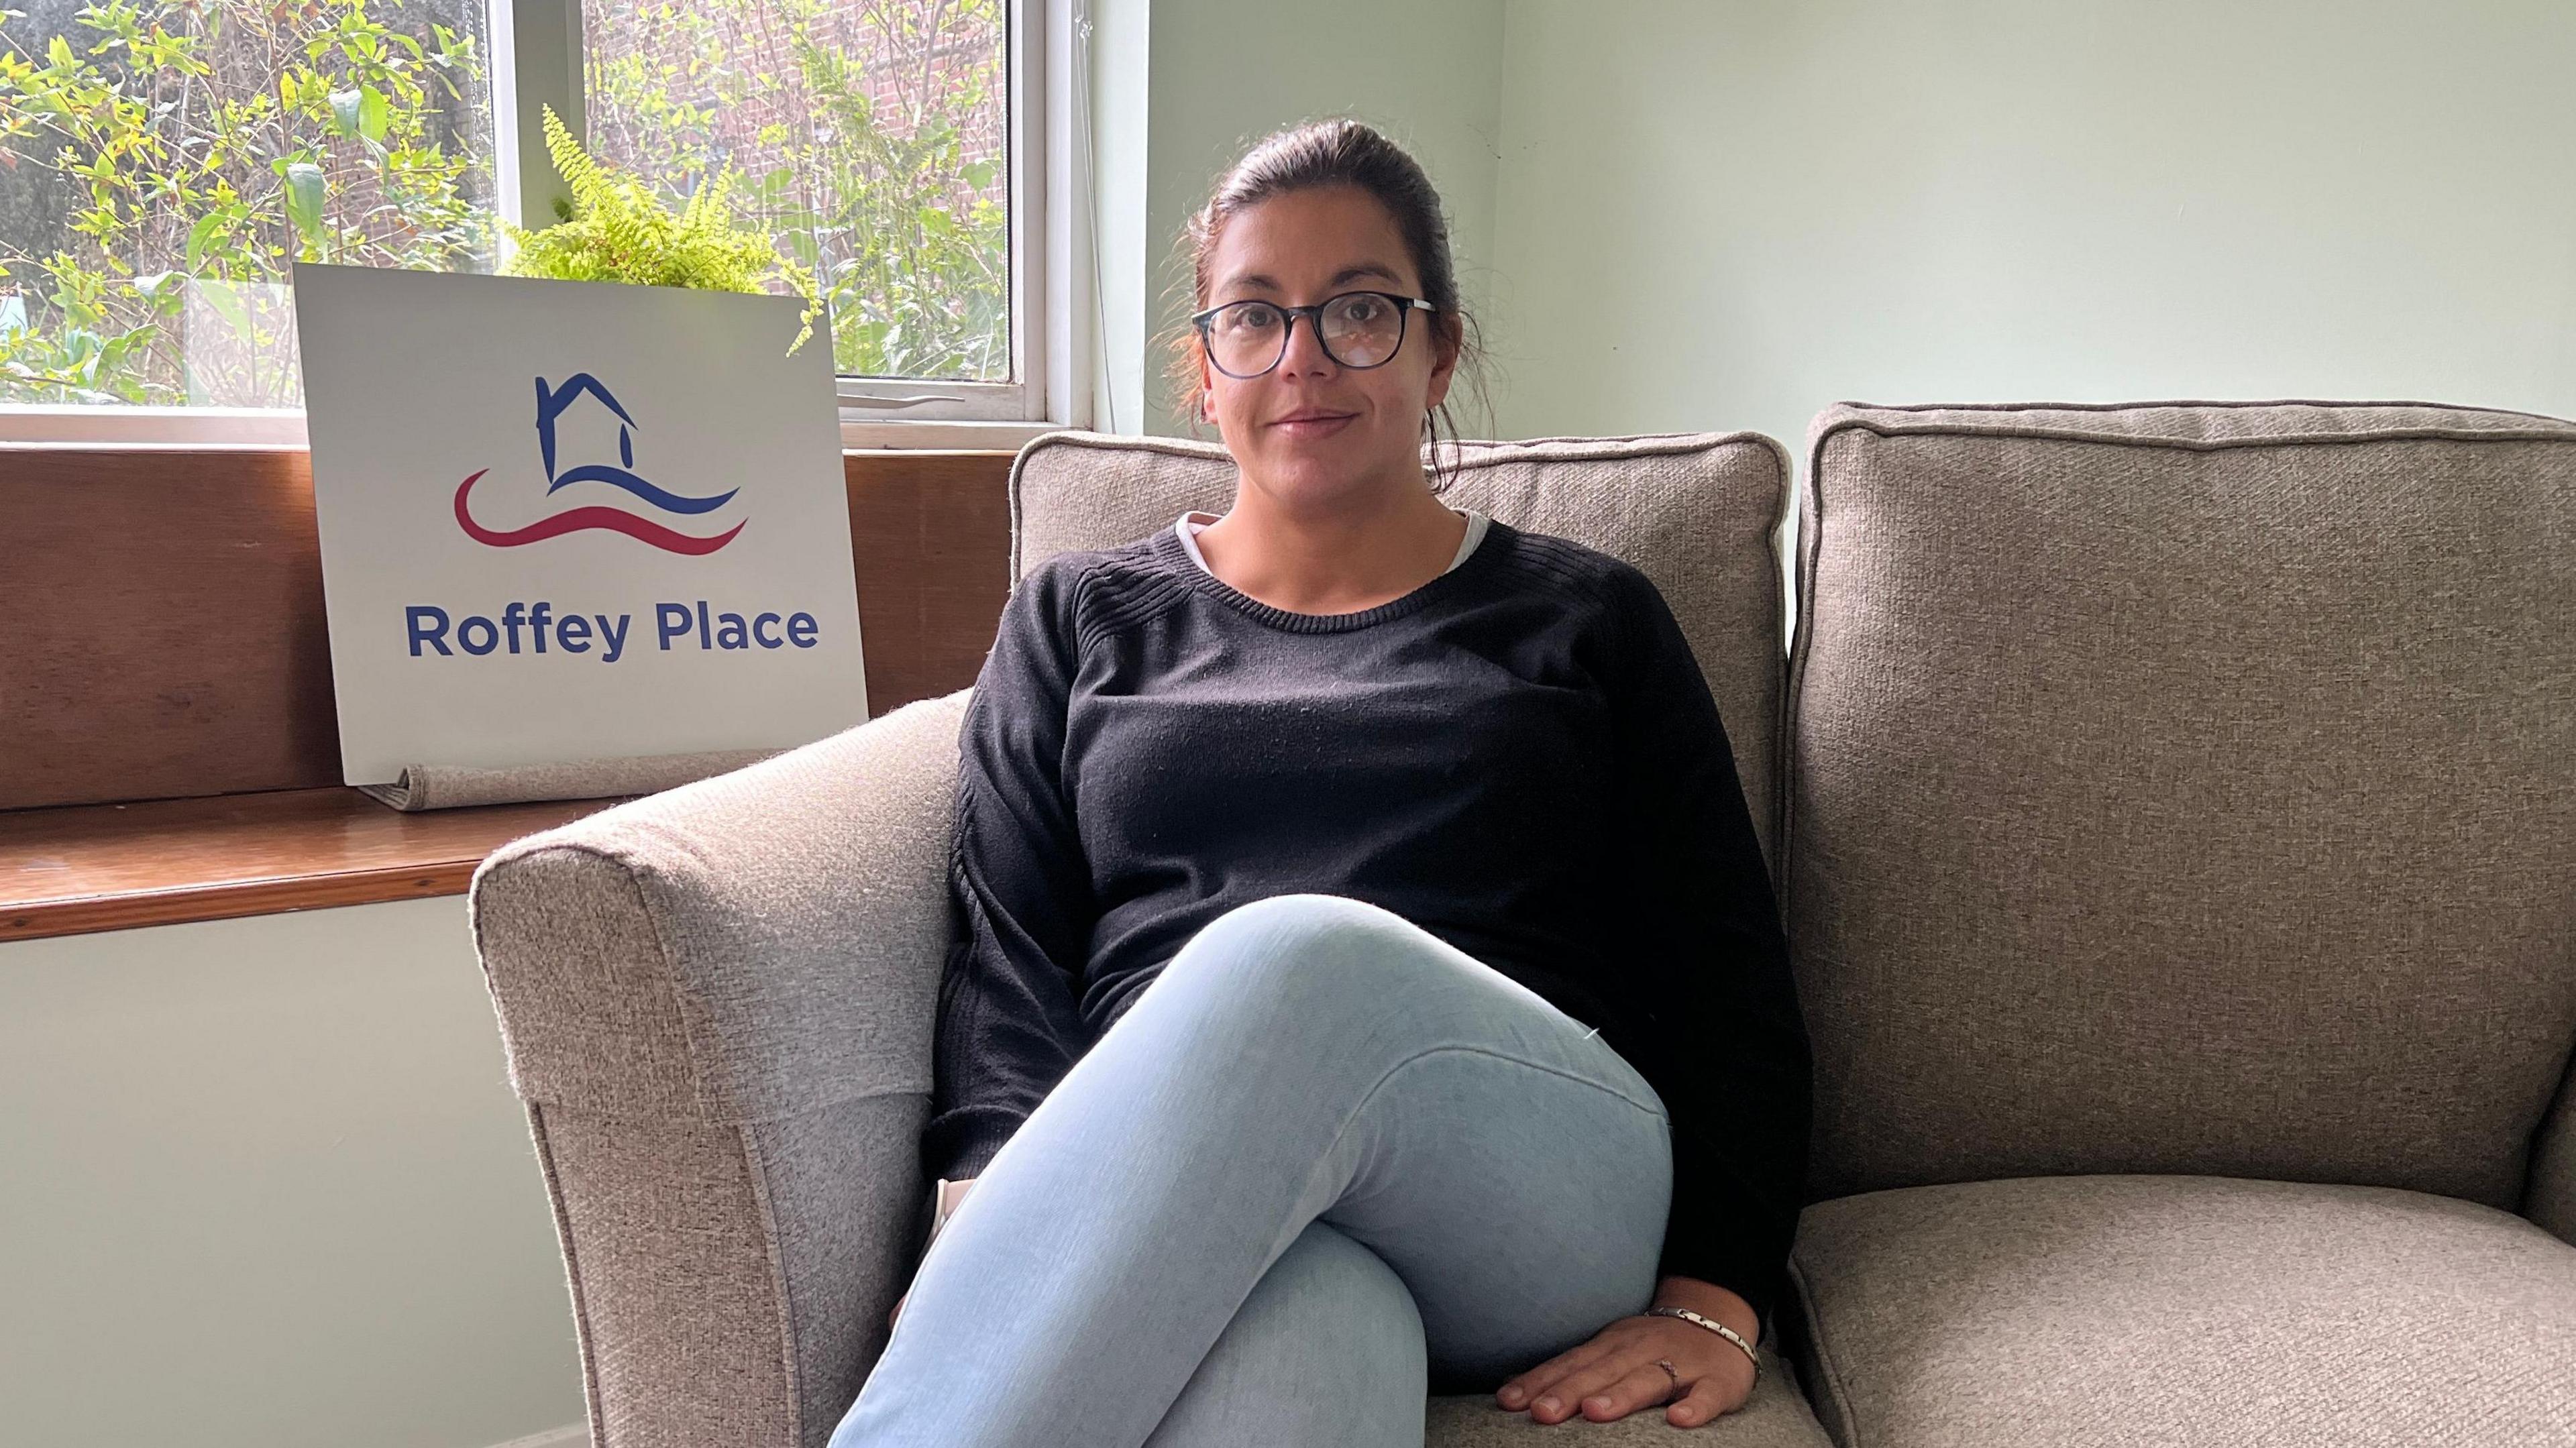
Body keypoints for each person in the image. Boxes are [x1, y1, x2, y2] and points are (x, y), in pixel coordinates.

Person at [826, 117, 1811, 1447]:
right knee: (1305, 1335)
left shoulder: (1588, 621)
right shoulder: (1077, 619)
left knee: (1301, 961)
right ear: (1206, 363)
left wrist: (1715, 1296)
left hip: (1536, 1192)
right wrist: (1000, 1244)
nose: (1303, 359)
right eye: (1256, 317)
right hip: (1209, 1194)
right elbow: (1008, 959)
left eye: (1359, 310)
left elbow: (1729, 971)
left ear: (1439, 346)